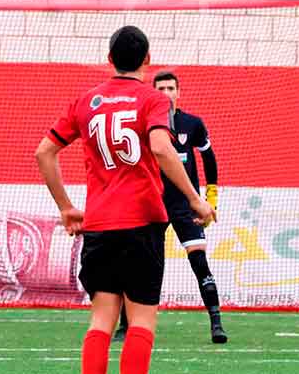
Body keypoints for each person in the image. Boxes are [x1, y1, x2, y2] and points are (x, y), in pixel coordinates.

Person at [35, 26, 215, 374]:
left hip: (100, 226)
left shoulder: (85, 101)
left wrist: (66, 208)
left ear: (109, 61)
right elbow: (162, 148)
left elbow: (45, 152)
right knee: (141, 321)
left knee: (102, 320)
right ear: (147, 60)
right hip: (142, 223)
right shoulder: (153, 99)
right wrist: (195, 199)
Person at [114, 70, 226, 344]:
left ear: (179, 92)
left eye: (170, 89)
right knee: (140, 264)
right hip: (152, 203)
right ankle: (125, 325)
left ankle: (217, 323)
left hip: (185, 206)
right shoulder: (144, 126)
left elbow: (209, 160)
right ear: (154, 93)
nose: (166, 94)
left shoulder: (193, 124)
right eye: (160, 89)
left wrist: (210, 200)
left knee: (199, 261)